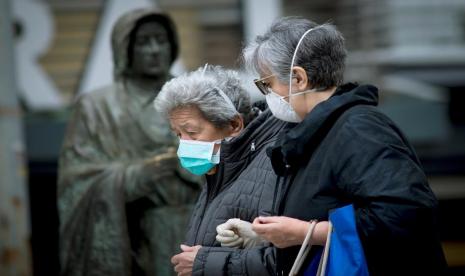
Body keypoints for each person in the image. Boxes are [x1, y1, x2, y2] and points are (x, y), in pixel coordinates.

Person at [221, 17, 446, 275]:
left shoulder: (359, 129)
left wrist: (306, 233)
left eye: (267, 84)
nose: (266, 94)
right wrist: (268, 235)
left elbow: (404, 216)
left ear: (299, 78)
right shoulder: (316, 132)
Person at [57, 9, 201, 276]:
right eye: (144, 42)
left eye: (162, 39)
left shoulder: (198, 97)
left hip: (199, 229)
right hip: (136, 238)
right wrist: (134, 176)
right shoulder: (97, 106)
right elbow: (75, 181)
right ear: (125, 48)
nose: (155, 49)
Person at [154, 65, 291, 276]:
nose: (184, 144)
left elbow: (285, 261)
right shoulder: (219, 168)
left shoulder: (274, 162)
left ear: (234, 124)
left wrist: (203, 263)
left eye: (191, 132)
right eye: (179, 134)